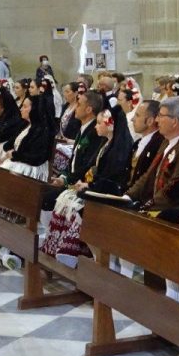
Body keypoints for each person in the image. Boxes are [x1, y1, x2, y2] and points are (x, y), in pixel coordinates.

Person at [40, 104, 133, 266]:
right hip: (95, 187)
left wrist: (88, 185)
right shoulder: (105, 143)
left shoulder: (119, 148)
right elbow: (90, 168)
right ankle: (56, 245)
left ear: (110, 125)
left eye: (99, 123)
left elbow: (111, 177)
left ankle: (74, 252)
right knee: (63, 199)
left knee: (76, 206)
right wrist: (78, 182)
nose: (96, 126)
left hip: (108, 194)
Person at [124, 96, 179, 210]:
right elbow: (149, 175)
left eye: (160, 115)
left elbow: (175, 190)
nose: (157, 120)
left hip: (176, 212)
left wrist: (147, 207)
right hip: (159, 206)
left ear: (174, 121)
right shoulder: (167, 141)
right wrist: (127, 197)